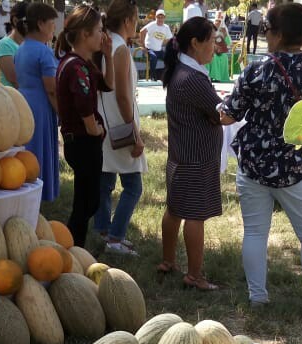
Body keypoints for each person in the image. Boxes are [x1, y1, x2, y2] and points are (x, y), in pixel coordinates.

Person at [220, 2, 302, 321]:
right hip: (296, 162)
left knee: (255, 233)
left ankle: (257, 298)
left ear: (275, 33)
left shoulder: (255, 69)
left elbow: (228, 114)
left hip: (255, 161)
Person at [158, 16, 221, 291]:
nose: (215, 47)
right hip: (195, 157)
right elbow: (222, 114)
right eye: (212, 40)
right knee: (195, 215)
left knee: (174, 210)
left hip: (181, 154)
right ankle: (194, 276)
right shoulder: (192, 78)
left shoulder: (181, 71)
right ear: (195, 43)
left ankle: (168, 261)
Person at [55, 4, 115, 248]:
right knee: (86, 202)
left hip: (83, 143)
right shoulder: (76, 66)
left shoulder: (82, 63)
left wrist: (109, 57)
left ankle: (74, 247)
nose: (103, 35)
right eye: (99, 30)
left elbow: (108, 85)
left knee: (88, 200)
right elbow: (83, 105)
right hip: (82, 142)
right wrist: (94, 128)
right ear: (84, 35)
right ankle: (71, 248)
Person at [96, 0, 146, 255]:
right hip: (120, 126)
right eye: (136, 18)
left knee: (105, 182)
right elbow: (124, 96)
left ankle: (105, 232)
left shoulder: (103, 45)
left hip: (104, 126)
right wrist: (135, 134)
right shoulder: (120, 49)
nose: (137, 23)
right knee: (133, 186)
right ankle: (115, 238)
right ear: (127, 20)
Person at [14, 2, 60, 202]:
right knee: (40, 150)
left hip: (22, 104)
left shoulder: (21, 48)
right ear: (41, 24)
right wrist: (62, 113)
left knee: (26, 149)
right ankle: (39, 192)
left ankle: (24, 188)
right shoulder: (43, 51)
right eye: (52, 23)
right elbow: (51, 88)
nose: (54, 28)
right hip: (40, 106)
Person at [0, 0, 26, 86]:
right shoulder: (4, 45)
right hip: (11, 97)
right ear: (16, 21)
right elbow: (15, 79)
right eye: (29, 21)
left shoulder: (30, 44)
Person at [139, 9, 172, 82]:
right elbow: (142, 31)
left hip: (159, 50)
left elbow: (170, 39)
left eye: (162, 17)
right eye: (158, 17)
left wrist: (167, 47)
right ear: (155, 18)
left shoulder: (166, 27)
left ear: (164, 18)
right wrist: (143, 46)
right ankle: (152, 76)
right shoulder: (152, 25)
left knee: (170, 58)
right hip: (149, 49)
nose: (160, 19)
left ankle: (167, 76)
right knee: (153, 57)